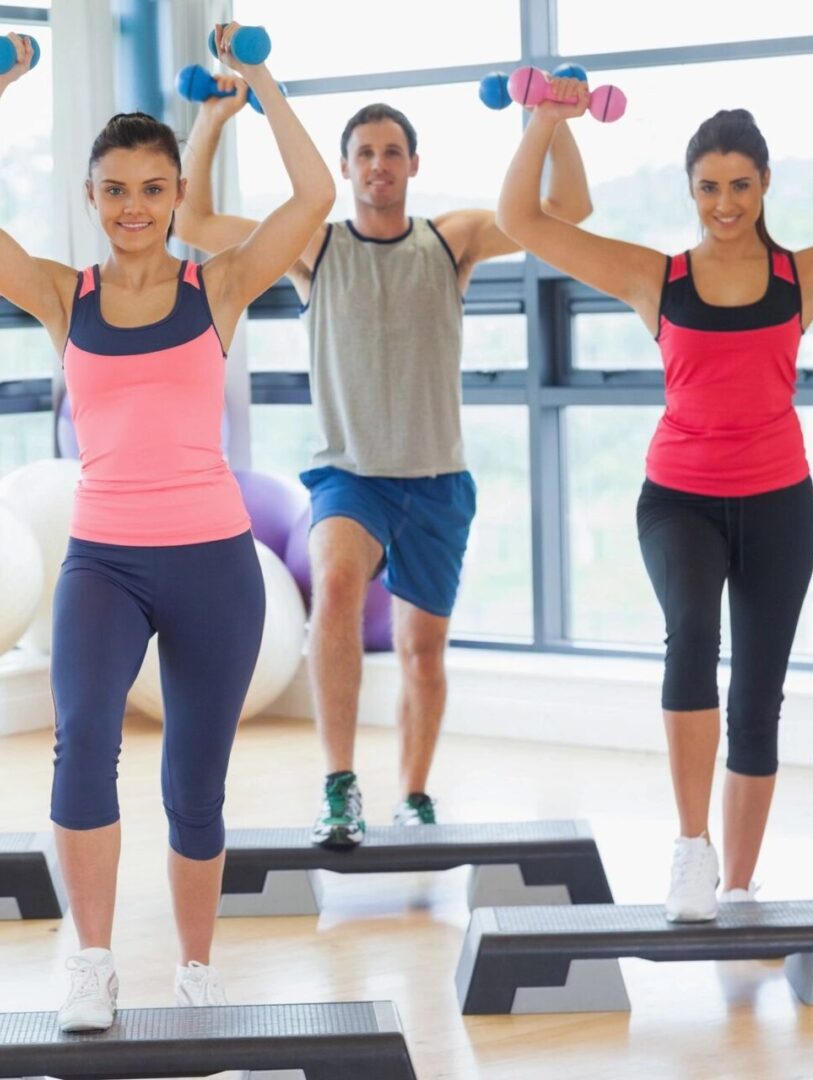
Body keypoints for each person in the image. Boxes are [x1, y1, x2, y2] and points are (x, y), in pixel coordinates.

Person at [0, 26, 333, 1030]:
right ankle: (93, 963)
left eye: (153, 190)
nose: (134, 208)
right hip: (105, 561)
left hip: (215, 562)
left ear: (174, 198)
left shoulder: (222, 286)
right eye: (115, 190)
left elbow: (312, 200)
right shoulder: (61, 297)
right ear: (92, 198)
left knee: (195, 779)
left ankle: (197, 968)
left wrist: (263, 81)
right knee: (82, 745)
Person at [496, 88, 813, 920]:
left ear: (766, 185)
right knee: (691, 638)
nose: (724, 204)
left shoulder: (804, 276)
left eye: (740, 186)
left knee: (758, 694)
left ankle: (740, 884)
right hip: (678, 500)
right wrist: (546, 120)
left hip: (781, 503)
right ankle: (689, 849)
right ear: (690, 189)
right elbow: (524, 221)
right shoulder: (657, 278)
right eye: (708, 187)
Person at [175, 77, 592, 848]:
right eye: (364, 153)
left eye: (391, 152)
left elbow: (567, 214)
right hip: (349, 475)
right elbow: (194, 220)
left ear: (412, 164)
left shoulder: (451, 237)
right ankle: (339, 785)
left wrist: (554, 121)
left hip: (437, 479)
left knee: (421, 651)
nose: (378, 165)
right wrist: (211, 119)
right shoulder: (316, 242)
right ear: (345, 168)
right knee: (333, 584)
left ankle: (415, 795)